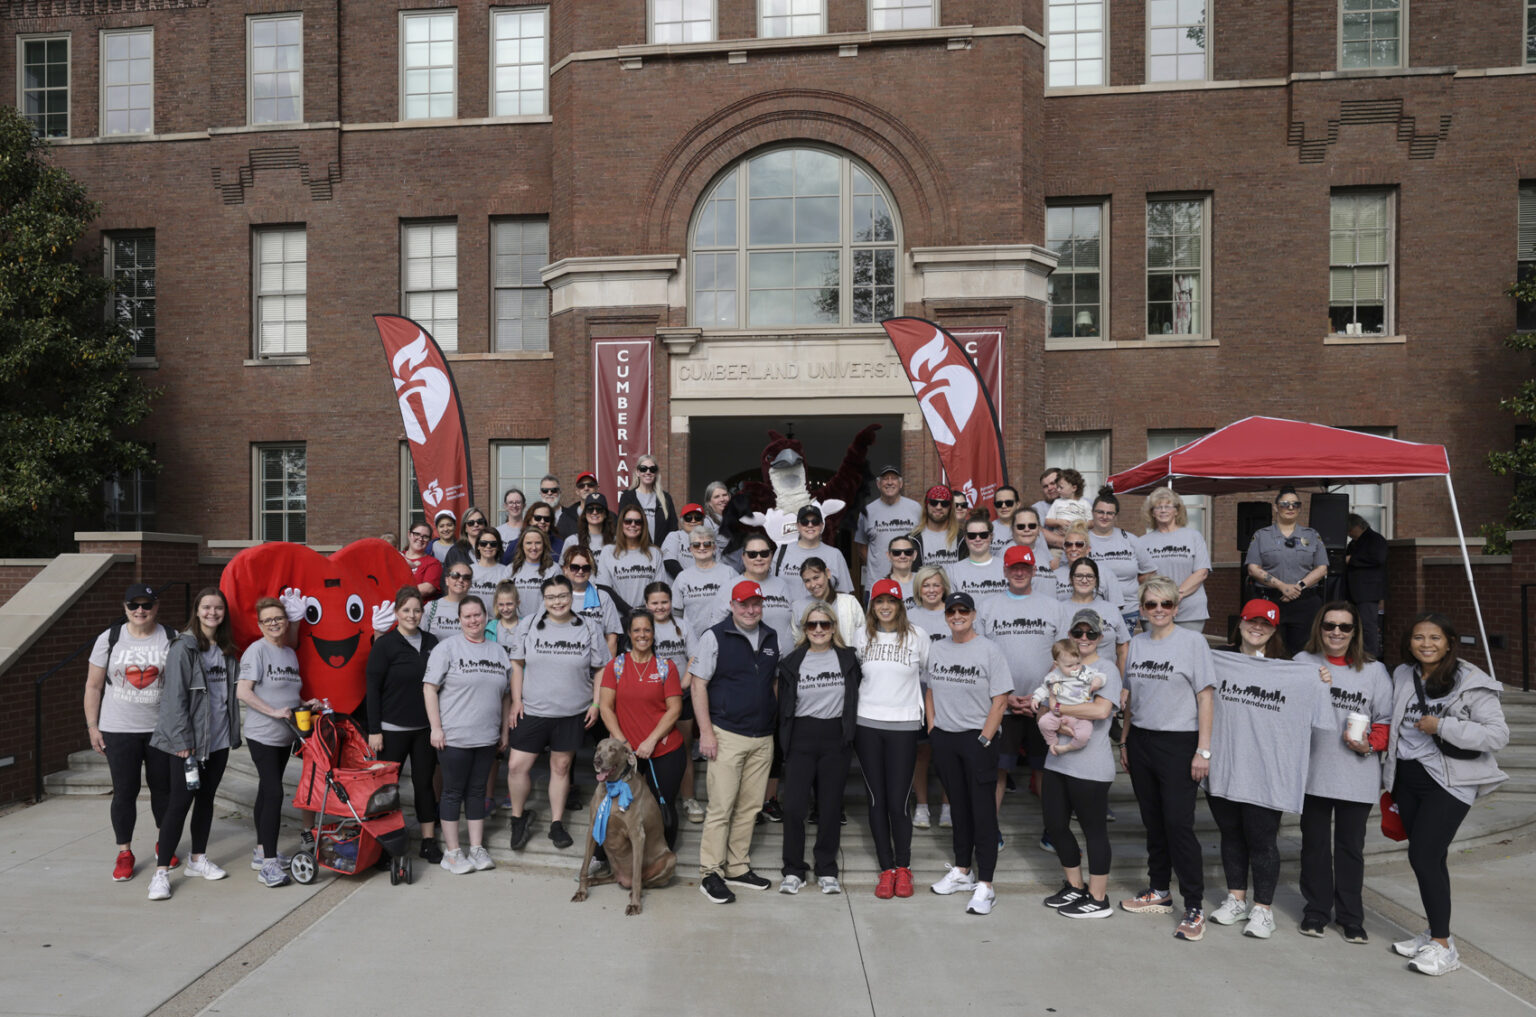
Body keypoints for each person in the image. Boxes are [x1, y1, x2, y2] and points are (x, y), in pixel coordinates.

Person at [1383, 613, 1509, 976]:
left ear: (1450, 642)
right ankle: (1434, 932)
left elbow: (1497, 735)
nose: (1426, 644)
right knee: (1430, 858)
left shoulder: (1471, 681)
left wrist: (1442, 725)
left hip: (1450, 781)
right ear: (1409, 642)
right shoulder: (1402, 674)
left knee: (1423, 855)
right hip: (1407, 777)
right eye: (1419, 637)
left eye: (1435, 638)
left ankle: (1443, 946)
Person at [1118, 577, 1215, 941]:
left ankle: (1194, 906)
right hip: (1141, 740)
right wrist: (1125, 741)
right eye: (1151, 604)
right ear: (1142, 609)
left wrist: (1203, 750)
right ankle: (1159, 889)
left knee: (1178, 825)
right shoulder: (1137, 644)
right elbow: (1131, 698)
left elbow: (1205, 697)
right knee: (1153, 822)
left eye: (1165, 604)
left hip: (1179, 742)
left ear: (1176, 607)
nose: (1158, 610)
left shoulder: (1193, 642)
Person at [1292, 601, 1393, 943]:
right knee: (1315, 847)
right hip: (1313, 772)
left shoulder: (1375, 671)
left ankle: (1351, 917)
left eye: (1344, 627)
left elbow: (1385, 720)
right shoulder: (1303, 662)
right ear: (1319, 628)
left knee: (1350, 848)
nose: (1336, 632)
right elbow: (1287, 711)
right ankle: (1316, 911)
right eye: (1329, 625)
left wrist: (1369, 745)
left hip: (1357, 773)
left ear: (1355, 632)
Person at [1204, 599, 1292, 939]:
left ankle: (1264, 909)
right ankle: (1236, 899)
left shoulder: (1287, 668)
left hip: (1266, 767)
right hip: (1224, 761)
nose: (1258, 627)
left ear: (1274, 629)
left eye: (1266, 623)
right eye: (1252, 621)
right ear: (1240, 623)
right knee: (1231, 833)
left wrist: (1321, 679)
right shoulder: (1217, 659)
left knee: (1262, 838)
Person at [146, 587, 242, 899]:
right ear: (197, 611)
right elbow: (174, 698)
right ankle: (161, 873)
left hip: (218, 740)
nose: (212, 613)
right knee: (179, 803)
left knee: (206, 800)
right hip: (189, 743)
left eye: (218, 608)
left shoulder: (226, 650)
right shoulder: (184, 647)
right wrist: (182, 739)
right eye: (207, 607)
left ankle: (197, 859)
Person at [691, 579, 782, 904]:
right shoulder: (715, 636)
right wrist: (706, 732)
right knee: (721, 807)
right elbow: (698, 685)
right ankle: (710, 873)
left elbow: (773, 683)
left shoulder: (771, 637)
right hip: (726, 734)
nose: (750, 610)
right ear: (732, 605)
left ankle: (737, 866)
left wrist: (774, 720)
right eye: (744, 604)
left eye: (756, 604)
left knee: (750, 807)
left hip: (762, 736)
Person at [507, 575, 611, 852]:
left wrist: (596, 704)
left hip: (572, 712)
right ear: (543, 599)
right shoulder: (529, 624)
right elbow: (516, 663)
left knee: (561, 767)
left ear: (571, 596)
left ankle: (556, 822)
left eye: (563, 596)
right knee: (516, 766)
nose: (557, 602)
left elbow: (602, 667)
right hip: (533, 710)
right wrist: (516, 701)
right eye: (551, 597)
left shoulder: (588, 626)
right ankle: (518, 818)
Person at [924, 591, 1011, 916]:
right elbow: (930, 690)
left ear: (973, 615)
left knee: (982, 813)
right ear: (946, 616)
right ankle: (963, 870)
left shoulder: (990, 650)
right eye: (952, 611)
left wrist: (985, 738)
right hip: (945, 739)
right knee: (958, 808)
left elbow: (1000, 700)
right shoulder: (937, 648)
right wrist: (932, 728)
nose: (957, 616)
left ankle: (986, 884)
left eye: (963, 610)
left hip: (977, 740)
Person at [85, 582, 175, 883]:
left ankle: (165, 843)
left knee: (163, 789)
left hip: (161, 730)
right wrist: (93, 726)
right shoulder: (109, 638)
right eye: (133, 605)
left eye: (146, 605)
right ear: (124, 607)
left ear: (156, 607)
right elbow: (93, 686)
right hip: (118, 728)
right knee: (125, 791)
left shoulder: (171, 638)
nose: (140, 610)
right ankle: (124, 852)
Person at [1040, 612, 1121, 919]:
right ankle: (1075, 886)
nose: (1084, 638)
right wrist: (1060, 716)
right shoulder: (1057, 667)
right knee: (1055, 826)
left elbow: (1100, 711)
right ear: (1070, 635)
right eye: (1078, 632)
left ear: (1100, 637)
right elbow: (1044, 709)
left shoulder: (1106, 669)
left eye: (1091, 633)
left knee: (1094, 831)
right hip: (1057, 761)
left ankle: (1098, 898)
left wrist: (1061, 708)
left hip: (1091, 767)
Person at [776, 601, 861, 895]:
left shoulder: (848, 659)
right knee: (793, 808)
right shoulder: (792, 661)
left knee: (830, 807)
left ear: (834, 627)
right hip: (801, 737)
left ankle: (826, 868)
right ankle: (793, 869)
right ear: (805, 628)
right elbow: (784, 704)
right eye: (812, 624)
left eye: (824, 624)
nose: (819, 629)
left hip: (835, 738)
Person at [853, 578, 929, 898]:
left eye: (891, 601)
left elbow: (931, 678)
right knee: (877, 800)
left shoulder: (917, 636)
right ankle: (886, 869)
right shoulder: (860, 636)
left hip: (904, 725)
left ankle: (903, 867)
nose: (885, 607)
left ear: (900, 605)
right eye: (879, 601)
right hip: (867, 724)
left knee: (898, 802)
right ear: (872, 605)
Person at [976, 545, 1064, 815]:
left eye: (1024, 568)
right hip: (1002, 705)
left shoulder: (1054, 607)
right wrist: (1004, 696)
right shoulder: (987, 607)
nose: (1019, 573)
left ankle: (1053, 831)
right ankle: (989, 831)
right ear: (1004, 570)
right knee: (997, 770)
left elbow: (1064, 657)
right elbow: (980, 657)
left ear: (1034, 570)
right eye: (1014, 568)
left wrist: (1041, 695)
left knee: (1046, 770)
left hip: (1044, 706)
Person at [423, 596, 509, 874]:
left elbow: (505, 695)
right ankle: (452, 852)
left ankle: (476, 848)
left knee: (477, 792)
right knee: (452, 792)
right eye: (467, 616)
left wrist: (504, 730)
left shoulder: (498, 651)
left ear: (486, 616)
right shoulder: (447, 648)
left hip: (486, 737)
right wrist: (436, 727)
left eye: (477, 615)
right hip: (454, 737)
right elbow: (429, 688)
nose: (473, 620)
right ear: (459, 620)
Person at [365, 587, 443, 865]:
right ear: (397, 612)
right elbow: (372, 689)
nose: (412, 615)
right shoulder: (385, 645)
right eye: (406, 610)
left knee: (424, 785)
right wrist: (374, 730)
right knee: (387, 789)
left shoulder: (432, 642)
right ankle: (386, 846)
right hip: (391, 730)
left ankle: (428, 841)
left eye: (417, 610)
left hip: (424, 729)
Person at [599, 611, 686, 850]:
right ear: (629, 633)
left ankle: (662, 857)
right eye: (636, 630)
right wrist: (622, 742)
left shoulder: (665, 666)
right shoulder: (616, 666)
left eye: (647, 630)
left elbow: (675, 709)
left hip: (664, 750)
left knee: (661, 805)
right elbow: (606, 707)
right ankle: (604, 856)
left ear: (653, 633)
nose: (642, 635)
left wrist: (651, 740)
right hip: (626, 752)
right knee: (617, 804)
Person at [236, 596, 307, 888]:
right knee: (275, 793)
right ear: (260, 625)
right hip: (262, 735)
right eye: (268, 620)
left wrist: (305, 704)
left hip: (284, 736)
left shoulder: (289, 653)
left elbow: (288, 692)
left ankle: (261, 850)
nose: (274, 623)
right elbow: (243, 691)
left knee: (267, 791)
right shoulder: (257, 651)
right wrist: (273, 712)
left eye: (278, 618)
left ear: (286, 621)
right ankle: (268, 865)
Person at [645, 582, 703, 824]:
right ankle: (650, 801)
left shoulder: (683, 625)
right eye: (655, 603)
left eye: (664, 602)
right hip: (650, 700)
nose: (660, 607)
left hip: (681, 696)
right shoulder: (642, 626)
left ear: (671, 602)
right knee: (651, 748)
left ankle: (688, 799)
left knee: (683, 749)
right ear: (646, 604)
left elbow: (694, 656)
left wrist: (682, 684)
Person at [1246, 487, 1330, 654]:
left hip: (1305, 603)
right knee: (1269, 650)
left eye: (1295, 504)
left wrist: (1298, 587)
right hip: (1270, 601)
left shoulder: (1312, 535)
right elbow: (1253, 569)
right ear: (1276, 507)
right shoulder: (1262, 536)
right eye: (1285, 504)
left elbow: (1322, 568)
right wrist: (1281, 586)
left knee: (1304, 652)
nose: (1291, 508)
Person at [906, 564, 952, 830]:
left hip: (951, 693)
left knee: (947, 753)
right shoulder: (909, 617)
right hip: (919, 693)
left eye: (936, 584)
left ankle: (948, 806)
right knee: (921, 753)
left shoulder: (955, 612)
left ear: (944, 587)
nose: (931, 590)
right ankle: (922, 806)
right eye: (926, 585)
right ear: (918, 588)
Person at [700, 532, 795, 649]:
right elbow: (715, 630)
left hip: (786, 658)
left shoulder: (782, 584)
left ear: (771, 555)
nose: (759, 558)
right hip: (749, 658)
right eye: (752, 554)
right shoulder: (730, 587)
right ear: (743, 557)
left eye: (764, 554)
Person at [1137, 486, 1212, 634]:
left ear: (1177, 511)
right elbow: (1140, 577)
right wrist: (1161, 599)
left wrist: (1174, 596)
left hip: (1189, 610)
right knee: (1156, 648)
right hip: (1154, 609)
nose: (1163, 510)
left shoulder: (1193, 537)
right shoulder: (1141, 542)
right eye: (1158, 507)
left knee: (1188, 648)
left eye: (1168, 506)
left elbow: (1201, 572)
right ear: (1152, 513)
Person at [1086, 488, 1152, 633]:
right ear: (1092, 513)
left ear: (1116, 516)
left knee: (1124, 647)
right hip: (1093, 611)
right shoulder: (1082, 541)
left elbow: (1149, 572)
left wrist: (1134, 591)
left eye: (1110, 513)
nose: (1105, 516)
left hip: (1128, 611)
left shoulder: (1130, 539)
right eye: (1100, 512)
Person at [1029, 637, 1106, 755]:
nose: (1075, 667)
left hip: (1081, 715)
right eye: (1069, 666)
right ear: (1057, 664)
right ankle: (1052, 742)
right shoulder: (1054, 676)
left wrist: (1098, 680)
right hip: (1059, 714)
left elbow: (1100, 675)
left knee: (1084, 735)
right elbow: (1044, 688)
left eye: (1078, 663)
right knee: (1043, 723)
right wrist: (1036, 698)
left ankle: (1068, 747)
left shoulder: (1085, 672)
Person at [855, 465, 921, 591]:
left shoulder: (915, 508)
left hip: (909, 584)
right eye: (885, 479)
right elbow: (861, 546)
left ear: (900, 484)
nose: (890, 482)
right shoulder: (867, 511)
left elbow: (922, 542)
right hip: (876, 583)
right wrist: (877, 565)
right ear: (878, 484)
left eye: (894, 478)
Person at [1062, 556, 1130, 674]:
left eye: (1089, 576)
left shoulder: (1111, 609)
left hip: (1106, 677)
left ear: (1096, 580)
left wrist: (1123, 682)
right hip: (1069, 681)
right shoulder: (1058, 609)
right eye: (1079, 576)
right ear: (1071, 579)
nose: (1084, 580)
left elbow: (1122, 649)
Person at [672, 522, 738, 636]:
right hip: (693, 641)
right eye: (696, 545)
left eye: (707, 544)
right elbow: (676, 614)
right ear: (690, 549)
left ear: (714, 547)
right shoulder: (682, 577)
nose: (702, 548)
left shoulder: (729, 573)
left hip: (726, 639)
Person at [598, 505, 666, 613]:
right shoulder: (608, 552)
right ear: (621, 524)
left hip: (647, 617)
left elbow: (658, 589)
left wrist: (641, 613)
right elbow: (604, 588)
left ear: (643, 526)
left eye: (638, 522)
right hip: (617, 618)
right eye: (628, 521)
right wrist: (629, 611)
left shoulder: (654, 553)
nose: (633, 525)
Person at [773, 503, 855, 592]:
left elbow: (844, 593)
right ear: (798, 526)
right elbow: (771, 587)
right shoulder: (782, 552)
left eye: (815, 521)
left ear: (822, 526)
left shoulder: (835, 555)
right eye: (804, 522)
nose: (810, 525)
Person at [563, 544, 623, 656]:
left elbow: (612, 638)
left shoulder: (603, 597)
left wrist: (606, 666)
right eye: (575, 567)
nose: (580, 571)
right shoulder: (556, 597)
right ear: (565, 570)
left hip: (597, 663)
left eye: (586, 568)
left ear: (591, 570)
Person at [1345, 513, 1388, 658]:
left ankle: (1370, 656)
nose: (1349, 534)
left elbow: (1378, 558)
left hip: (1368, 591)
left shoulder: (1375, 539)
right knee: (1356, 624)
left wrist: (1352, 559)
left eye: (1350, 530)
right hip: (1354, 591)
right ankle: (1357, 653)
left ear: (1358, 526)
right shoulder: (1353, 543)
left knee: (1368, 625)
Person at [791, 557, 863, 644]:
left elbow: (862, 638)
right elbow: (798, 641)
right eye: (807, 581)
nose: (813, 584)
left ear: (827, 573)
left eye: (816, 577)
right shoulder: (798, 607)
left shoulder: (849, 603)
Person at [1052, 522, 1124, 608]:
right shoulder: (1055, 576)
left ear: (1088, 549)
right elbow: (1050, 608)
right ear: (1064, 548)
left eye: (1079, 544)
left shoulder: (1105, 573)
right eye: (1068, 544)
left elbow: (1116, 607)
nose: (1073, 548)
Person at [618, 453, 679, 545]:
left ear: (656, 473)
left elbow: (673, 529)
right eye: (643, 469)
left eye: (652, 469)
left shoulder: (665, 498)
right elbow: (620, 527)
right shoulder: (627, 497)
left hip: (662, 551)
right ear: (637, 472)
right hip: (636, 550)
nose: (648, 472)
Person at [947, 510, 1007, 600]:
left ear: (991, 536)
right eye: (972, 536)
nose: (978, 539)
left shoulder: (1007, 568)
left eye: (983, 535)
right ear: (965, 538)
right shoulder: (953, 571)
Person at [1008, 507, 1058, 596]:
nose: (1027, 529)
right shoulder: (1007, 554)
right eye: (1021, 526)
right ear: (1013, 530)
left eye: (1032, 526)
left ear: (1039, 529)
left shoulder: (1042, 553)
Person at [911, 485, 961, 568]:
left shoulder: (963, 538)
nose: (938, 507)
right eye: (933, 503)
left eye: (944, 504)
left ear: (950, 507)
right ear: (926, 505)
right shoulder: (913, 539)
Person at [509, 526, 559, 605]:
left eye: (538, 543)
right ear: (522, 545)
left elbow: (558, 600)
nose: (534, 547)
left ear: (544, 545)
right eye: (529, 543)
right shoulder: (510, 569)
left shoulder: (554, 569)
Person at [423, 561, 471, 640]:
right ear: (446, 580)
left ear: (470, 583)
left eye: (466, 577)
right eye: (455, 575)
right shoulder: (431, 607)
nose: (461, 580)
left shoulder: (477, 608)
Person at [660, 501, 708, 578]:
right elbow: (669, 562)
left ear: (703, 521)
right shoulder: (675, 536)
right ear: (682, 521)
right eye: (688, 518)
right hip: (678, 583)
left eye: (698, 517)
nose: (693, 521)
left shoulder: (709, 540)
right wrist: (687, 580)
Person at [1044, 467, 1092, 541]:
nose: (1058, 490)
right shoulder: (1057, 502)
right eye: (1057, 487)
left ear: (1074, 488)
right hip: (1059, 537)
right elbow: (1047, 521)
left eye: (1061, 487)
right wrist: (1059, 522)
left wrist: (1080, 525)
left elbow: (1091, 523)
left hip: (1079, 539)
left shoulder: (1084, 503)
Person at [467, 528, 512, 604]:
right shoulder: (468, 570)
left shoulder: (506, 571)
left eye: (493, 544)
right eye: (483, 543)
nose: (488, 546)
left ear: (498, 547)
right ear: (478, 546)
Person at [443, 506, 493, 573]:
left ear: (485, 525)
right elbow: (446, 576)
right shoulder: (455, 551)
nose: (476, 525)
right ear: (465, 528)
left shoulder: (493, 547)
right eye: (471, 523)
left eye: (480, 521)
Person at [401, 522, 444, 599]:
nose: (420, 539)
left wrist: (396, 592)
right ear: (409, 534)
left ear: (429, 540)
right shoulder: (397, 556)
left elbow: (428, 589)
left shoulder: (433, 563)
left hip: (419, 605)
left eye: (425, 537)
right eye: (417, 534)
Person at [556, 471, 600, 539]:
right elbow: (560, 542)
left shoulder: (609, 516)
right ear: (577, 491)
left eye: (590, 485)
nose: (586, 488)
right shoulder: (566, 517)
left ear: (597, 488)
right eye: (581, 486)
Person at [880, 534, 921, 607]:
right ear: (888, 556)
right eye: (896, 553)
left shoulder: (925, 582)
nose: (902, 556)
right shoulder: (880, 585)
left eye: (908, 552)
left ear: (914, 555)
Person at [574, 492, 615, 557]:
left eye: (599, 509)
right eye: (590, 509)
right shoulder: (573, 540)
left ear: (605, 514)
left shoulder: (616, 541)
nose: (594, 512)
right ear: (585, 514)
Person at [484, 581, 522, 649]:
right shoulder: (490, 628)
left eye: (509, 604)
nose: (505, 609)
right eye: (501, 604)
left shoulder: (526, 626)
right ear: (496, 605)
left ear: (518, 603)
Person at [988, 485, 1023, 557]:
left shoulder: (1031, 527)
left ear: (1018, 504)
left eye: (1008, 503)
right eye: (999, 504)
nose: (1003, 506)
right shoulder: (987, 530)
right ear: (994, 506)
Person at [1032, 467, 1062, 541]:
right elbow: (1037, 530)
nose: (1049, 488)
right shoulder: (1037, 508)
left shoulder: (1083, 502)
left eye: (1053, 483)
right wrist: (1069, 543)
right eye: (1045, 486)